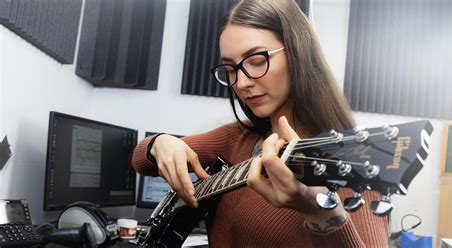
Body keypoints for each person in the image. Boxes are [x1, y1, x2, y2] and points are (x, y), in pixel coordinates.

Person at [132, 0, 388, 247]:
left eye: (256, 61)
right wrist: (160, 143)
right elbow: (141, 160)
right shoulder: (237, 137)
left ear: (298, 53)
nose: (241, 83)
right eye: (230, 69)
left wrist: (321, 212)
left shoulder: (352, 163)